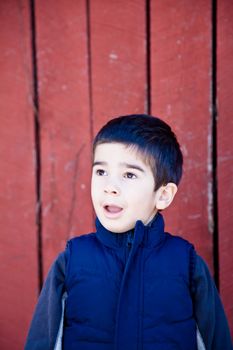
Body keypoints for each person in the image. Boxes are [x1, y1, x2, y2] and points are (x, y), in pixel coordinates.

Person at [25, 114, 232, 350]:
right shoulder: (73, 260)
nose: (110, 187)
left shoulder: (186, 264)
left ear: (162, 195)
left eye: (129, 175)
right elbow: (42, 342)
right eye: (101, 172)